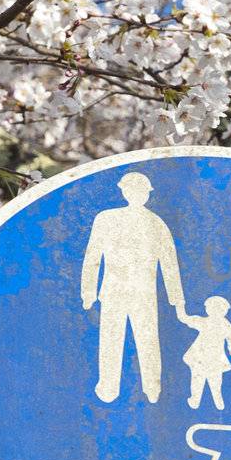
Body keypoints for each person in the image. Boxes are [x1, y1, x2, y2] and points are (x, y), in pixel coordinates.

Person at [80, 172, 184, 403]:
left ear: (147, 194)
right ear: (124, 192)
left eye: (141, 191)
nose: (136, 195)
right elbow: (92, 257)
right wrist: (88, 292)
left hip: (144, 294)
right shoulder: (105, 219)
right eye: (132, 190)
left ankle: (153, 388)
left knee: (148, 339)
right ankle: (107, 387)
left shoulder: (156, 223)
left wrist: (177, 300)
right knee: (110, 339)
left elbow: (170, 264)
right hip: (113, 291)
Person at [178, 296, 231, 411]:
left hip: (213, 358)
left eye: (219, 309)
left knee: (214, 381)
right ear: (208, 310)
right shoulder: (205, 322)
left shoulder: (224, 324)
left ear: (224, 311)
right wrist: (179, 306)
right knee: (198, 379)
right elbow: (184, 318)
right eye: (213, 308)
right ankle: (196, 400)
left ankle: (216, 400)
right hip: (200, 357)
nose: (216, 312)